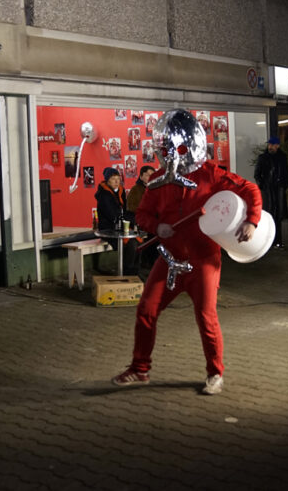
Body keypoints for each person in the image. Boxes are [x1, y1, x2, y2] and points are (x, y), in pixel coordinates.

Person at [111, 109, 261, 395]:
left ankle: (215, 373)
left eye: (179, 148)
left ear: (192, 145)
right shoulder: (158, 180)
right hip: (168, 259)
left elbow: (250, 189)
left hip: (204, 260)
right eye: (168, 149)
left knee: (206, 316)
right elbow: (141, 214)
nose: (173, 156)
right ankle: (140, 369)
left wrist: (252, 220)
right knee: (146, 310)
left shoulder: (211, 175)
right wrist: (159, 226)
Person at [95, 167, 138, 275]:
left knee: (138, 241)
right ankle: (127, 271)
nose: (116, 181)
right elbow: (113, 214)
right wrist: (127, 219)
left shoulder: (121, 192)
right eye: (113, 179)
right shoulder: (104, 195)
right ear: (107, 180)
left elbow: (124, 211)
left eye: (118, 178)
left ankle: (133, 270)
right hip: (108, 229)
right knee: (131, 243)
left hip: (120, 227)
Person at [254, 136, 288, 248]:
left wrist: (283, 185)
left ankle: (277, 241)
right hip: (268, 190)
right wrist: (263, 185)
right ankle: (268, 241)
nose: (270, 147)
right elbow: (257, 174)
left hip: (278, 189)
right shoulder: (263, 158)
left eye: (273, 145)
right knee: (268, 215)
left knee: (278, 215)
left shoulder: (282, 158)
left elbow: (286, 173)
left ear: (277, 146)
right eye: (269, 144)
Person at [127, 165, 157, 271]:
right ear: (141, 176)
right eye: (148, 175)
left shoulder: (155, 188)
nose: (150, 177)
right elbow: (132, 208)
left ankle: (153, 263)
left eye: (152, 175)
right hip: (142, 223)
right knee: (150, 239)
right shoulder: (136, 190)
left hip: (153, 221)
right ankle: (147, 263)